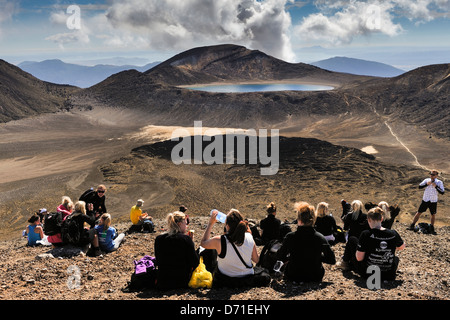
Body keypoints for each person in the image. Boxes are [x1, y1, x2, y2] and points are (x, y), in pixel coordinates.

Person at [201, 209, 271, 288]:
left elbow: (203, 243)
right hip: (247, 277)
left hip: (225, 279)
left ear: (227, 226)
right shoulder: (249, 236)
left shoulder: (220, 240)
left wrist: (210, 224)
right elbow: (256, 260)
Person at [276, 202, 336, 283]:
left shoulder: (290, 237)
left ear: (299, 220)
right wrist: (317, 256)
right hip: (315, 276)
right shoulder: (320, 238)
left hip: (293, 275)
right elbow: (332, 260)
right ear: (313, 219)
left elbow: (280, 256)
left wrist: (291, 256)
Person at [353, 207, 405, 281]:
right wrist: (391, 247)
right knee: (395, 258)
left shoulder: (366, 234)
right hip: (388, 275)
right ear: (381, 219)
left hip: (369, 274)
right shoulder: (393, 233)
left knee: (353, 240)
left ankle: (345, 264)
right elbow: (402, 247)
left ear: (369, 220)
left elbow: (359, 258)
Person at [154, 211, 199, 290]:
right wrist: (191, 243)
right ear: (179, 224)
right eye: (185, 223)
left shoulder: (159, 239)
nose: (186, 226)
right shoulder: (186, 239)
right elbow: (195, 262)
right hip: (182, 282)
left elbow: (158, 261)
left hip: (163, 282)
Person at [408, 170, 445, 234]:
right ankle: (412, 225)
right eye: (431, 174)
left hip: (433, 201)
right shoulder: (426, 180)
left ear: (436, 175)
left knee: (433, 214)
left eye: (433, 175)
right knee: (419, 212)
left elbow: (442, 192)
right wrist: (426, 184)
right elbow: (419, 187)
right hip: (425, 199)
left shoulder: (439, 182)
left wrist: (436, 186)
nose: (431, 176)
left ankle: (432, 228)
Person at [337, 200, 369, 270]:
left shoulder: (349, 215)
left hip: (351, 236)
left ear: (352, 207)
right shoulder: (365, 216)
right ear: (361, 207)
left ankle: (345, 262)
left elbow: (345, 228)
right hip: (362, 238)